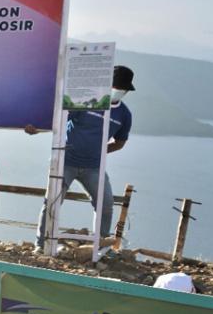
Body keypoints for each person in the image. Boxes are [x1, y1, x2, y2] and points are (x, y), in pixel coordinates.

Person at [27, 66, 136, 253]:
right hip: (66, 161)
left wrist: (100, 152)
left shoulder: (124, 115)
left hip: (94, 167)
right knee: (52, 201)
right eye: (115, 86)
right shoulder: (87, 100)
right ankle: (41, 244)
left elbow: (120, 142)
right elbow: (59, 121)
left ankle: (100, 246)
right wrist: (37, 129)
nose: (118, 90)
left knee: (105, 204)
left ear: (126, 91)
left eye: (121, 88)